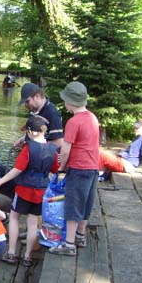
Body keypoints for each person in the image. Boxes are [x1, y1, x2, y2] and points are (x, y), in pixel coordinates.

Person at [0, 115, 59, 266]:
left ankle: (11, 253)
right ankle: (27, 257)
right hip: (41, 191)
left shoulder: (28, 148)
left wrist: (0, 181)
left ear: (31, 132)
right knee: (33, 223)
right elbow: (55, 169)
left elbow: (17, 169)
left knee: (14, 218)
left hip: (24, 190)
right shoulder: (53, 149)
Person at [49, 81, 100, 256]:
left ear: (70, 102)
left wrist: (61, 167)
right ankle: (80, 235)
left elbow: (66, 149)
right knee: (86, 203)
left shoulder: (73, 121)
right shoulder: (92, 118)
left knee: (73, 204)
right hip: (93, 167)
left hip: (78, 168)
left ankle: (68, 244)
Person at [15, 83, 64, 149]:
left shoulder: (52, 114)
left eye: (27, 101)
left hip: (43, 157)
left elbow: (59, 142)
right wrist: (23, 139)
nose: (26, 105)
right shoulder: (35, 110)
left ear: (37, 96)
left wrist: (37, 149)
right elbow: (36, 133)